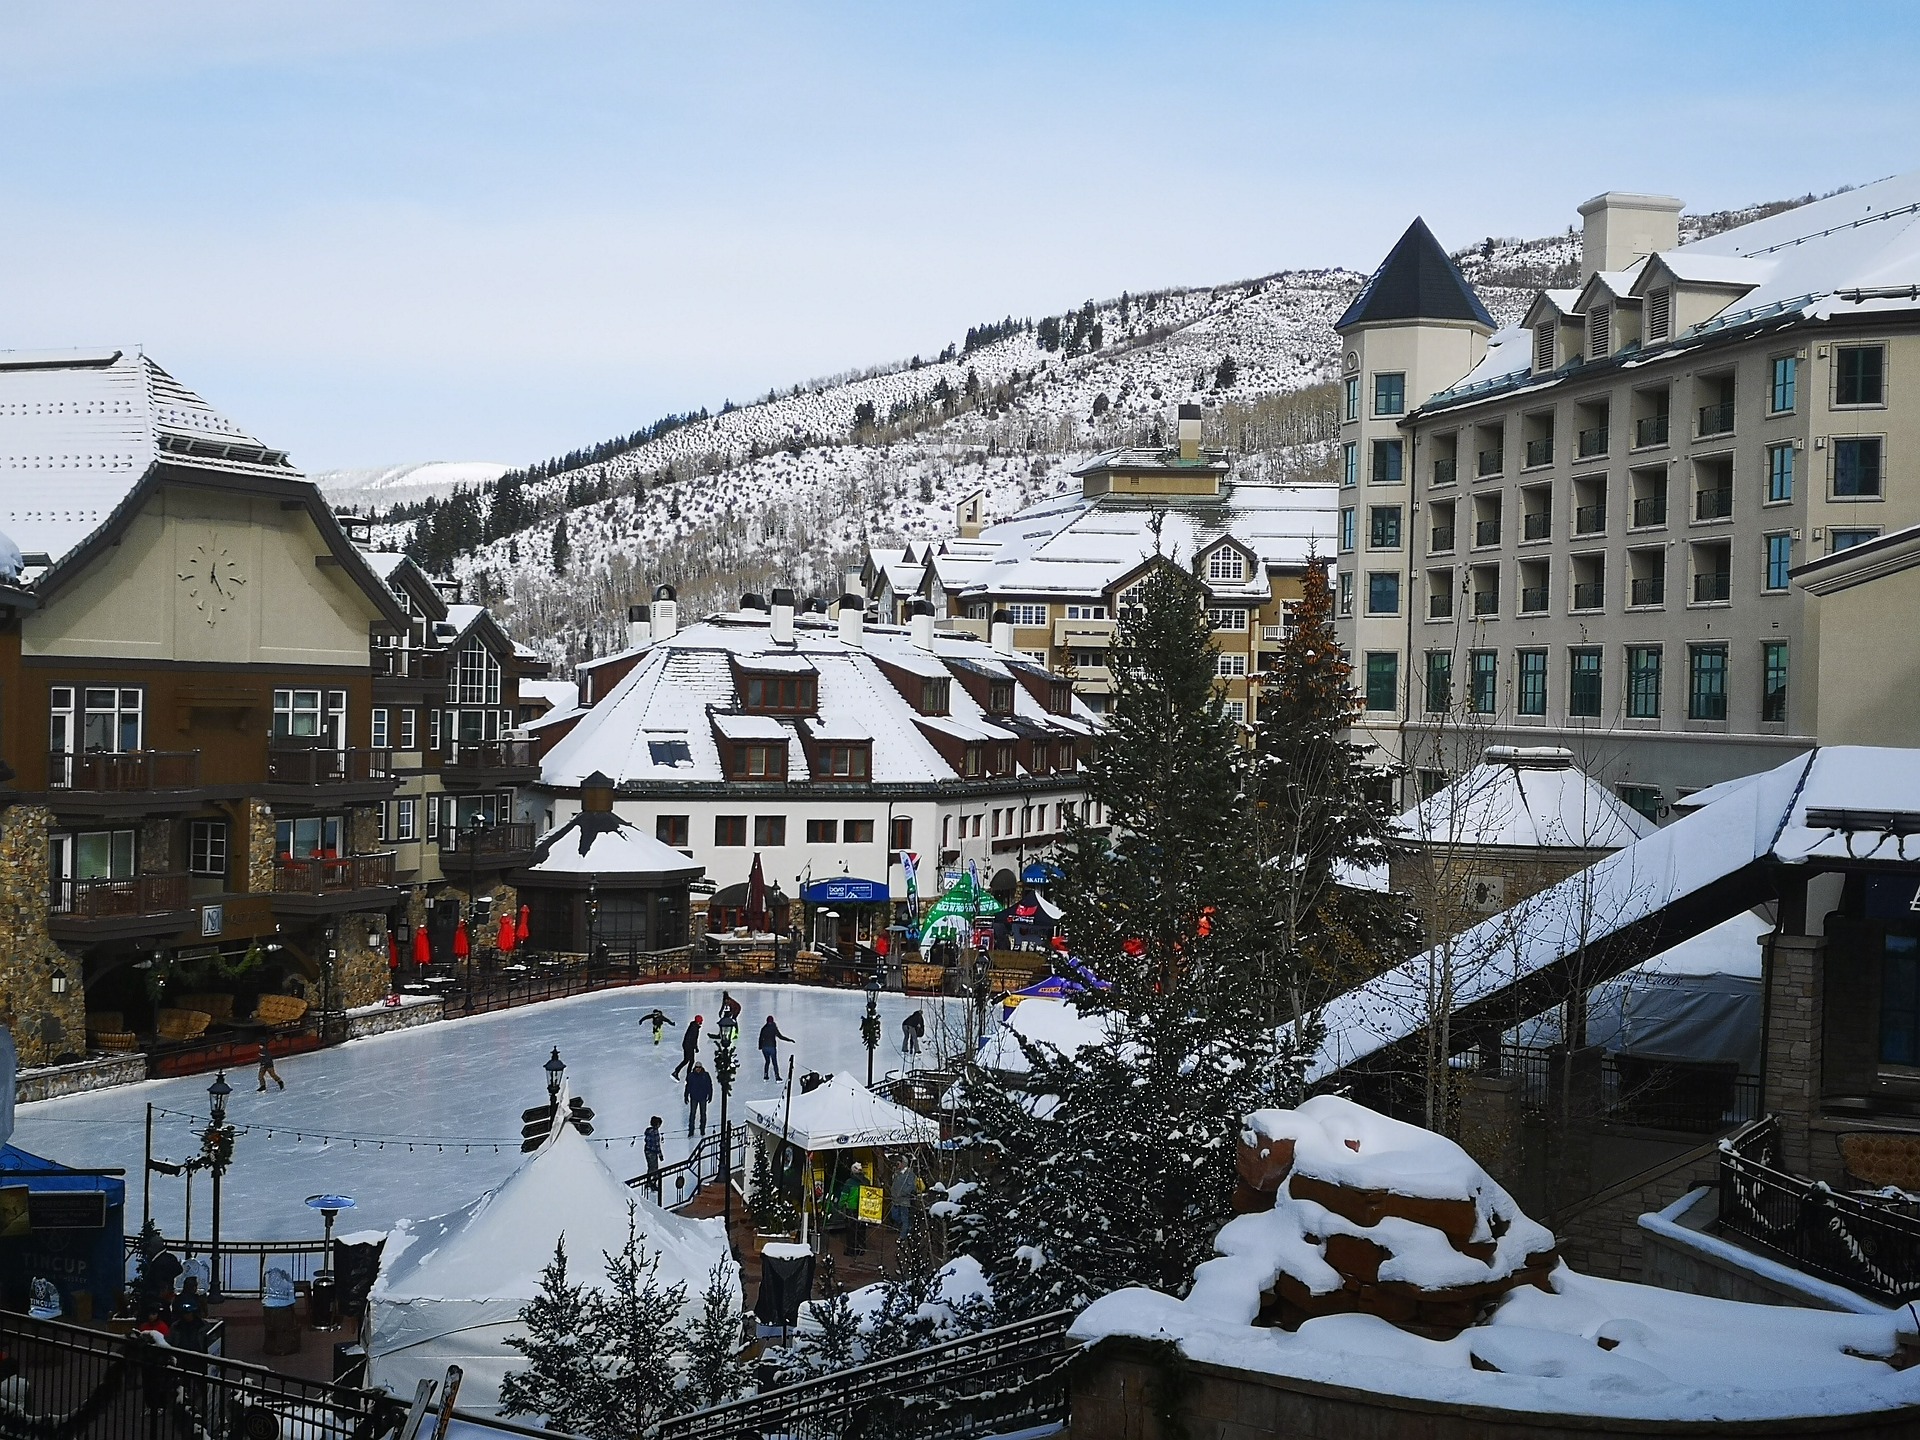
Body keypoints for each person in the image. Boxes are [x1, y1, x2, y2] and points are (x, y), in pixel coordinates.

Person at [837, 1162, 870, 1256]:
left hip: (851, 1209)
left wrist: (840, 1205)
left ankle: (851, 1251)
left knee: (851, 1231)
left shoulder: (849, 1182)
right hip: (863, 1208)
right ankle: (861, 1249)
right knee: (861, 1230)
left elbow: (844, 1195)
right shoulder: (866, 1181)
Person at [890, 1157, 919, 1238]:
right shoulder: (897, 1173)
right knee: (895, 1216)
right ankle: (907, 1228)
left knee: (904, 1218)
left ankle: (903, 1236)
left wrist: (903, 1193)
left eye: (899, 1162)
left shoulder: (909, 1174)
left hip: (904, 1201)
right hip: (895, 1200)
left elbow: (911, 1186)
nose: (897, 1164)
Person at [758, 1014, 793, 1080]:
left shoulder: (764, 1028)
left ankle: (765, 1076)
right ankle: (777, 1076)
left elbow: (760, 1038)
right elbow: (780, 1037)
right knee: (774, 1062)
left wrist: (760, 1046)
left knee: (767, 1061)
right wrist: (789, 1040)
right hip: (772, 1047)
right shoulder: (774, 1028)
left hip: (764, 1048)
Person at [684, 1061, 713, 1137]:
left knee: (703, 1114)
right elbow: (688, 1086)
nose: (698, 1069)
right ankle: (691, 1130)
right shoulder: (691, 1075)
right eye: (697, 1067)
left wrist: (710, 1095)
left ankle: (702, 1129)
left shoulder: (705, 1075)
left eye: (699, 1067)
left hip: (703, 1097)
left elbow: (709, 1085)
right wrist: (686, 1095)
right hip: (694, 1097)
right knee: (692, 1114)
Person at [672, 1015, 704, 1080]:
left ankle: (677, 1072)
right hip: (689, 1046)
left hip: (687, 1045)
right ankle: (688, 1076)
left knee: (687, 1060)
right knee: (691, 1061)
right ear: (698, 1022)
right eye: (701, 1021)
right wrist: (695, 1047)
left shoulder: (693, 1026)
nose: (701, 1023)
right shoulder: (694, 1028)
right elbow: (693, 1039)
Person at [643, 1116, 665, 1201]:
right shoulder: (655, 1132)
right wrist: (660, 1155)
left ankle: (649, 1182)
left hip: (647, 1151)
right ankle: (652, 1183)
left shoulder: (648, 1131)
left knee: (650, 1167)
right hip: (653, 1152)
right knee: (654, 1168)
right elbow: (657, 1145)